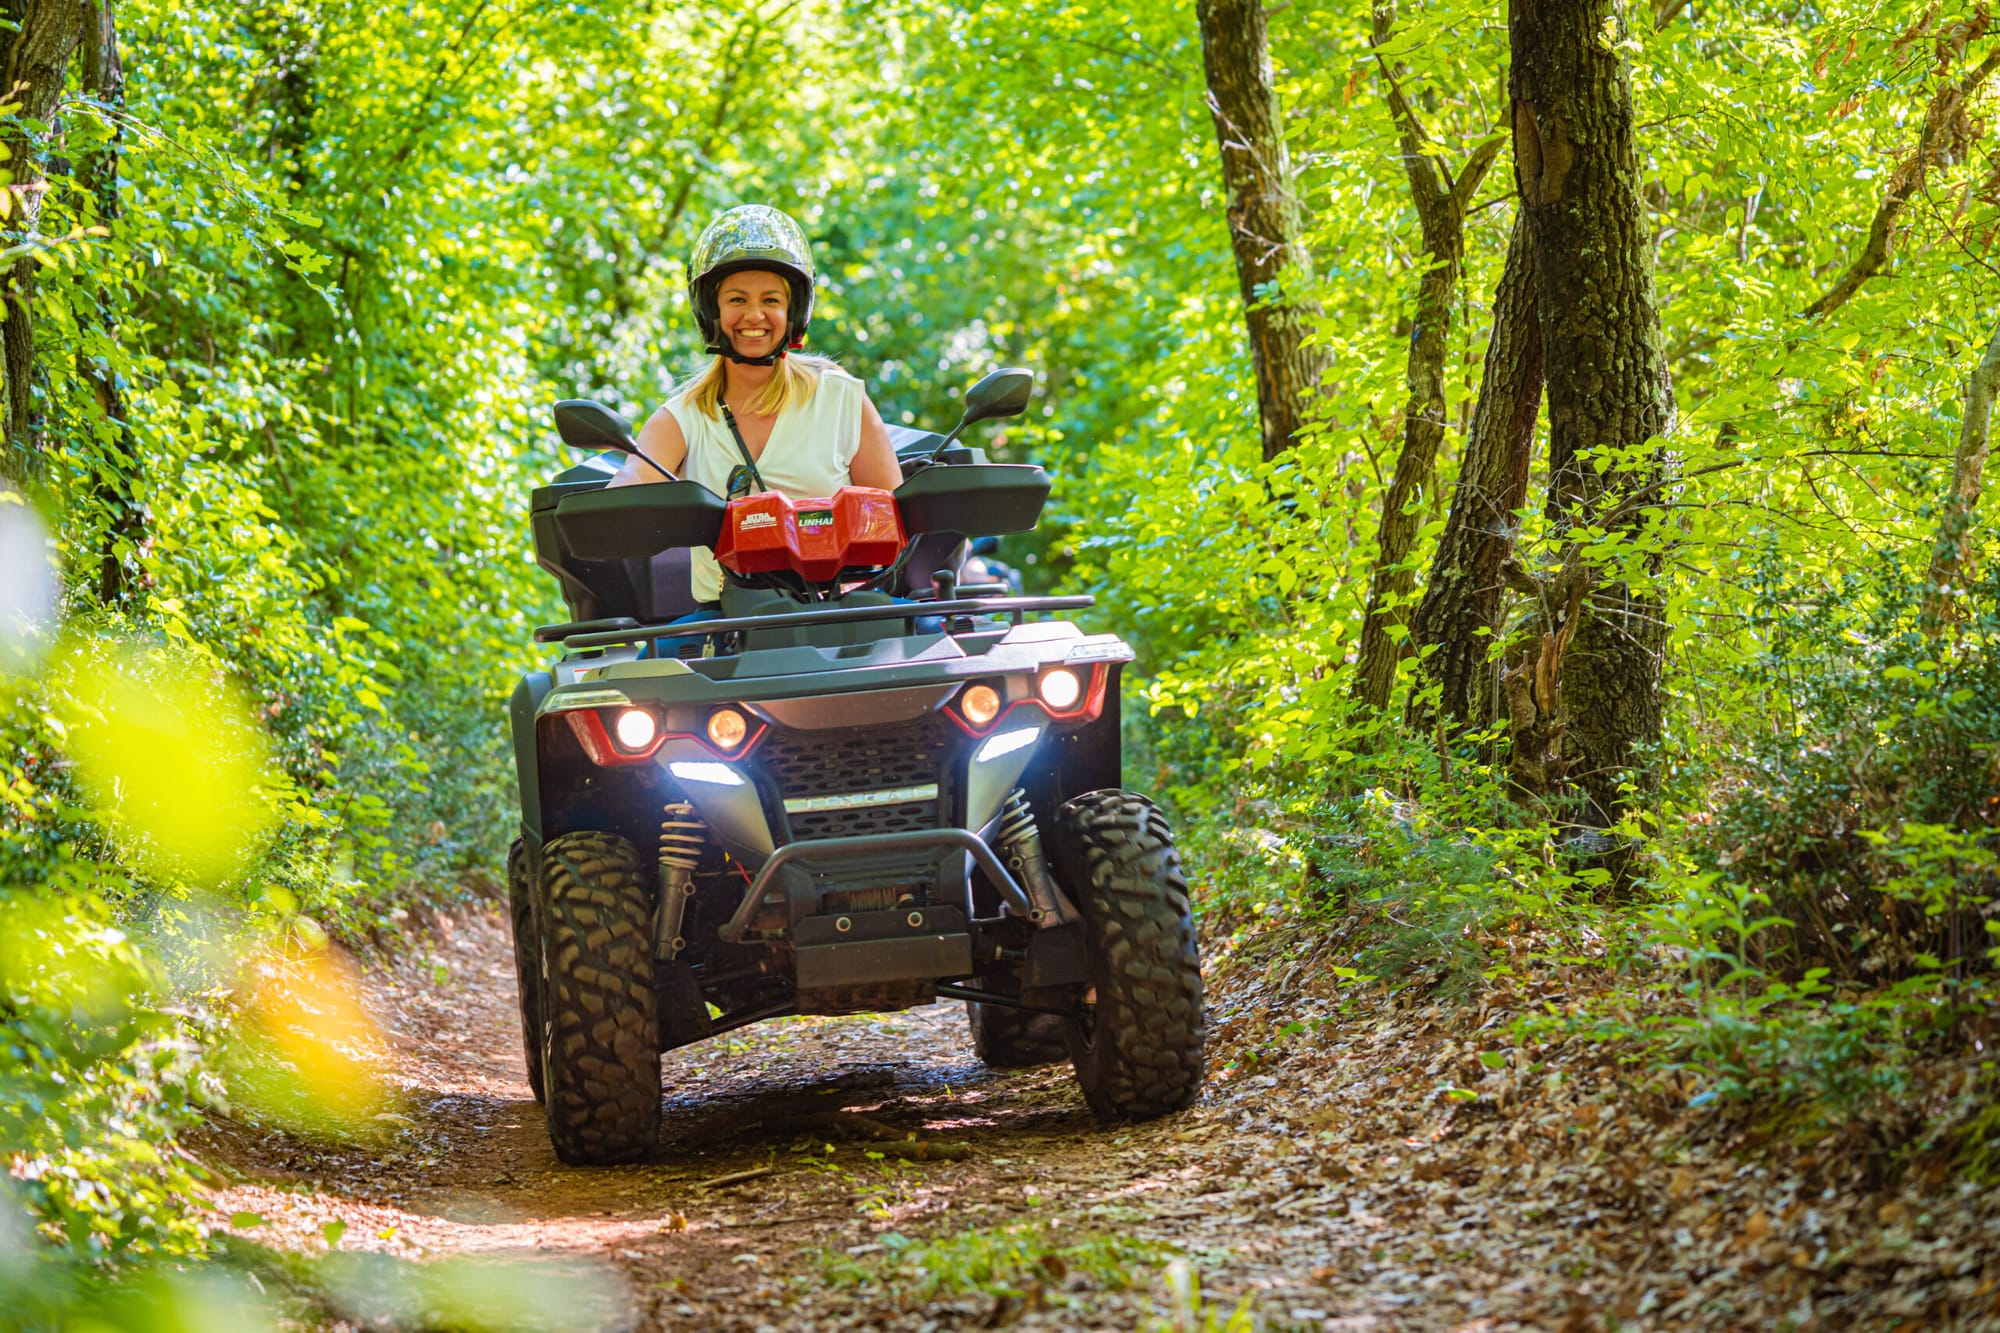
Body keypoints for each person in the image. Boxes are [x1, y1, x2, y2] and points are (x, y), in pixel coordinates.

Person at [609, 204, 903, 613]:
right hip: (726, 625)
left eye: (771, 300)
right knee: (634, 674)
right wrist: (615, 503)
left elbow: (894, 518)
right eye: (736, 299)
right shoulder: (682, 417)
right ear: (711, 311)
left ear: (793, 311)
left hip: (839, 611)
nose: (754, 315)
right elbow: (626, 488)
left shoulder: (841, 399)